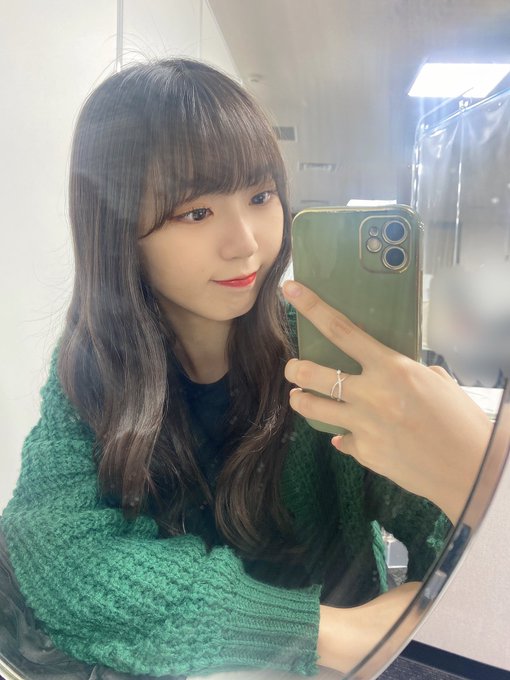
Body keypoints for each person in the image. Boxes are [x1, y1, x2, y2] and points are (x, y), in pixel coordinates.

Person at [0, 58, 492, 678]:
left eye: (260, 197)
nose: (247, 242)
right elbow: (56, 550)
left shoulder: (319, 355)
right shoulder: (95, 366)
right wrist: (314, 632)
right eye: (195, 212)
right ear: (118, 229)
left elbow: (444, 523)